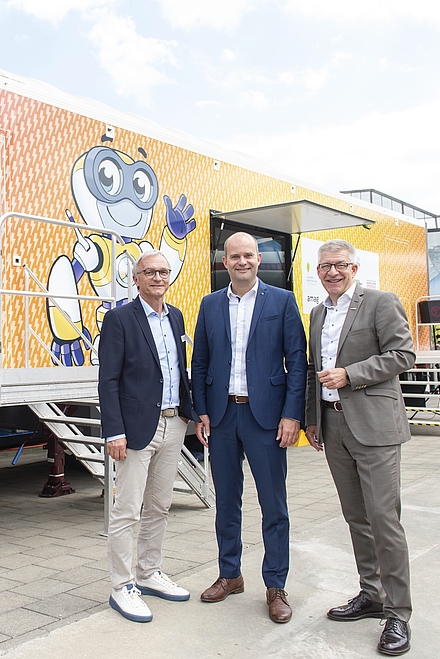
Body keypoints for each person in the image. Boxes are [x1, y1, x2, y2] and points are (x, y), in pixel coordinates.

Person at [304, 239, 416, 656]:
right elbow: (313, 371)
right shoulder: (317, 313)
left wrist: (351, 374)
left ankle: (398, 614)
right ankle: (372, 595)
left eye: (339, 265)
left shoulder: (381, 302)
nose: (331, 272)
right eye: (324, 266)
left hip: (375, 428)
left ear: (354, 268)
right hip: (333, 427)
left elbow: (403, 354)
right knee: (356, 519)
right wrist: (313, 418)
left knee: (384, 520)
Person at [190, 232, 306, 623]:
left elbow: (297, 363)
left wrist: (292, 415)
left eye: (248, 256)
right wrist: (201, 411)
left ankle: (275, 585)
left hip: (267, 419)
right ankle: (230, 574)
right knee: (227, 502)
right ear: (225, 262)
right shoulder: (209, 305)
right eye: (234, 256)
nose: (241, 262)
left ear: (259, 260)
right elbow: (200, 362)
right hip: (222, 417)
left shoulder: (282, 301)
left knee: (273, 504)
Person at [98, 249, 195, 623]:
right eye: (149, 272)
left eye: (163, 272)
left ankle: (149, 572)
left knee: (159, 506)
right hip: (136, 429)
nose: (157, 277)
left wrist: (191, 414)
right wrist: (115, 431)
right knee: (127, 511)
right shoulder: (120, 319)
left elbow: (179, 371)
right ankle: (121, 586)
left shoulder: (177, 317)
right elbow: (108, 380)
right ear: (135, 279)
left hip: (174, 424)